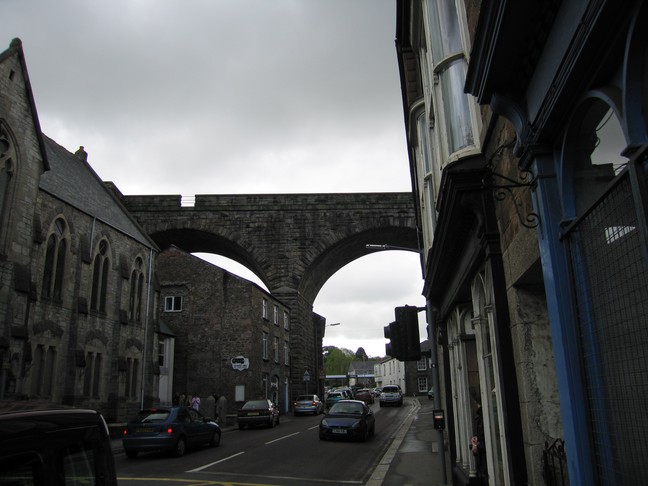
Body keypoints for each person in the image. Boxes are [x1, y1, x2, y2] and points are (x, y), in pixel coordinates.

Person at [470, 405, 487, 483]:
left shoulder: (484, 417)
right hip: (481, 460)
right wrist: (475, 441)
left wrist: (476, 445)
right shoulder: (479, 418)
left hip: (486, 460)